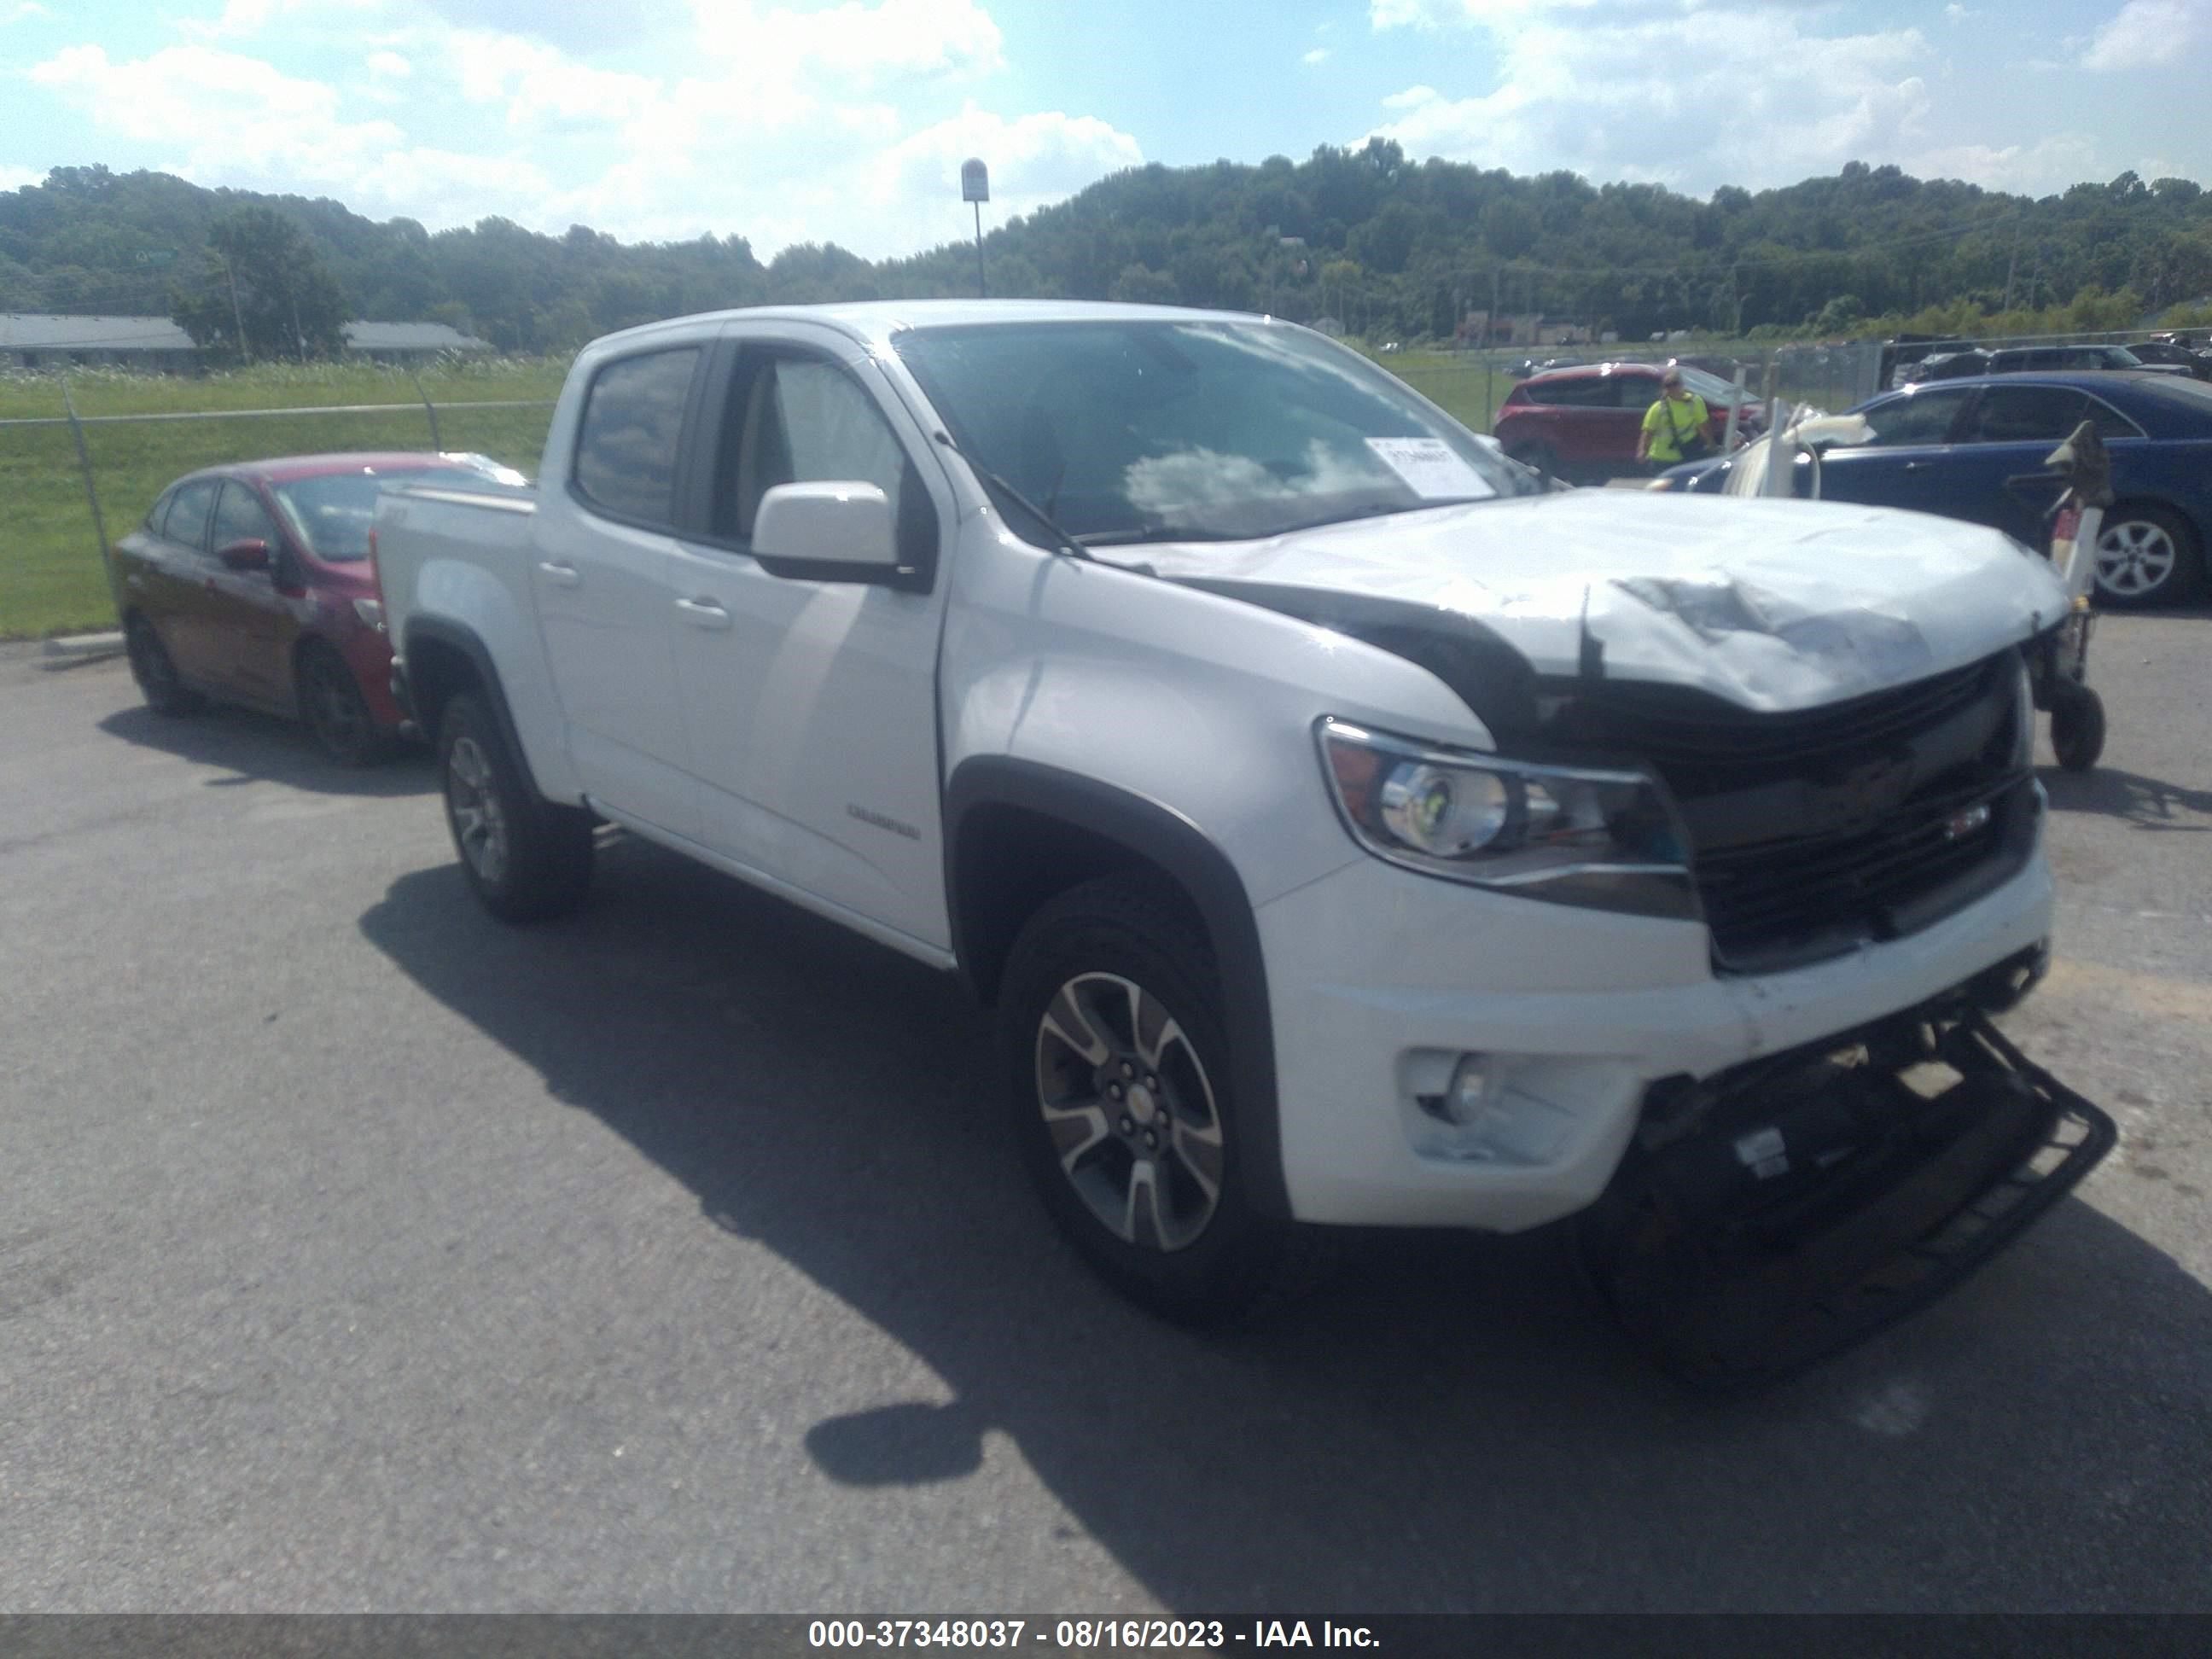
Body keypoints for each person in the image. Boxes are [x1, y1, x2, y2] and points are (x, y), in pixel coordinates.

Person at [1635, 369, 1710, 476]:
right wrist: (1642, 452)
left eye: (1675, 384)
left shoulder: (1695, 402)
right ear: (1665, 388)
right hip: (1661, 458)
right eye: (1668, 385)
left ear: (1681, 385)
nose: (1672, 388)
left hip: (1687, 455)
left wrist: (1711, 444)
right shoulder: (1658, 408)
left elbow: (1704, 426)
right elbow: (1648, 433)